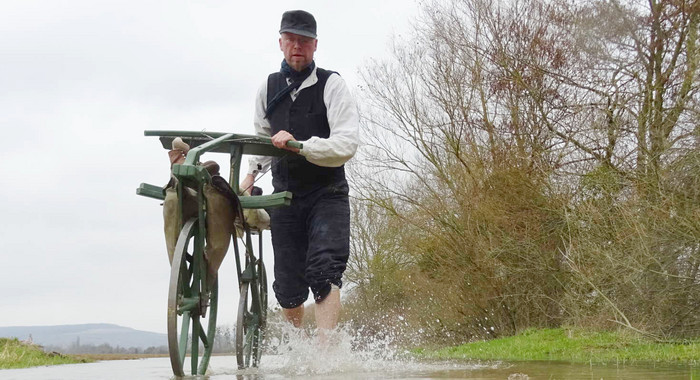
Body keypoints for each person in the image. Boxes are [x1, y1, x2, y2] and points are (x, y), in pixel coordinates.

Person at [240, 10, 359, 337]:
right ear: (281, 43)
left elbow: (346, 143)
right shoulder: (269, 87)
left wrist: (301, 146)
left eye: (304, 41)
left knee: (325, 270)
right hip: (285, 195)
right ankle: (299, 346)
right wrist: (251, 175)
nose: (297, 46)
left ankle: (325, 354)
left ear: (315, 45)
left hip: (327, 193)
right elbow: (262, 138)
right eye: (291, 39)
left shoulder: (332, 85)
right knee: (289, 287)